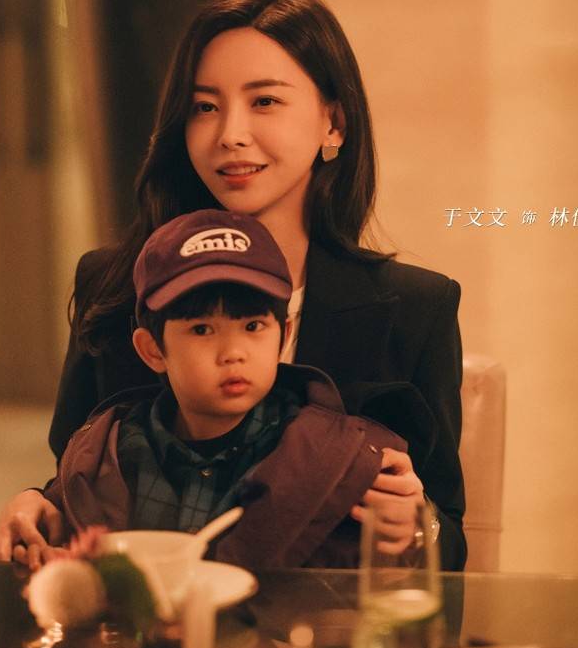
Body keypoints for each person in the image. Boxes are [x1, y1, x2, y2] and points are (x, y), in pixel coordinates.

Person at [0, 0, 466, 570]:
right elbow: (82, 475)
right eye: (204, 107)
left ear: (334, 123)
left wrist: (417, 525)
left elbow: (451, 539)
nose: (230, 134)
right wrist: (37, 504)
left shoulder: (414, 308)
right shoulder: (115, 285)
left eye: (264, 101)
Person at [40, 209, 420, 568]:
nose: (233, 353)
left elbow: (387, 579)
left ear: (284, 334)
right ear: (152, 349)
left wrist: (412, 533)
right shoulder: (103, 457)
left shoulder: (341, 461)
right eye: (202, 329)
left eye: (253, 326)